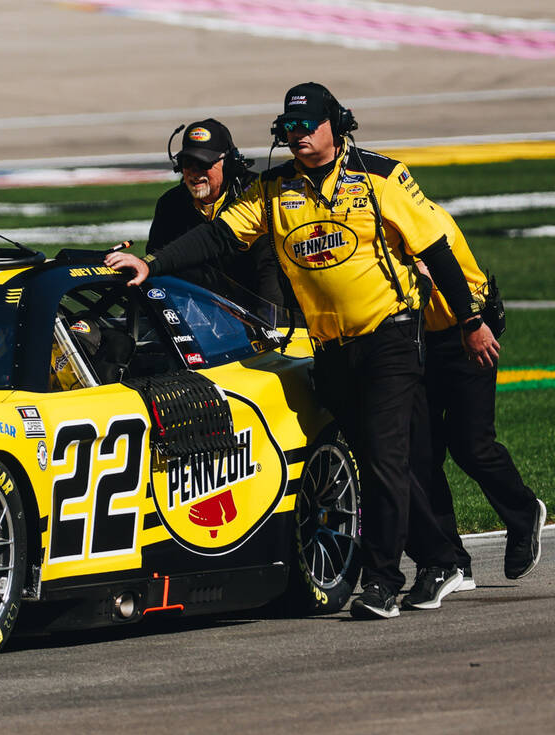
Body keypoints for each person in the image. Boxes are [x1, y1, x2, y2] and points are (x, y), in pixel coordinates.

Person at [106, 82, 496, 619]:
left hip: (389, 335)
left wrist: (470, 321)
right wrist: (155, 265)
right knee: (377, 459)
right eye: (289, 129)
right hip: (331, 346)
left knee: (385, 457)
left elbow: (437, 249)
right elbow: (218, 237)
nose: (298, 137)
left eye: (308, 126)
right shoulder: (272, 190)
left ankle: (382, 581)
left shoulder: (381, 177)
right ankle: (442, 560)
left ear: (338, 124)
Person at [406, 203, 545, 587]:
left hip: (465, 329)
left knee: (471, 444)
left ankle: (523, 512)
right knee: (422, 450)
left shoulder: (417, 215)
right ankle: (449, 558)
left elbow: (427, 273)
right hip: (414, 339)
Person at [146, 118, 286, 307]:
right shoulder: (170, 204)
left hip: (260, 314)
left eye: (203, 164)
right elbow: (159, 277)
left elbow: (269, 277)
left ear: (228, 163)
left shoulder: (257, 196)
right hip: (197, 314)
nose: (194, 172)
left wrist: (272, 329)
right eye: (188, 162)